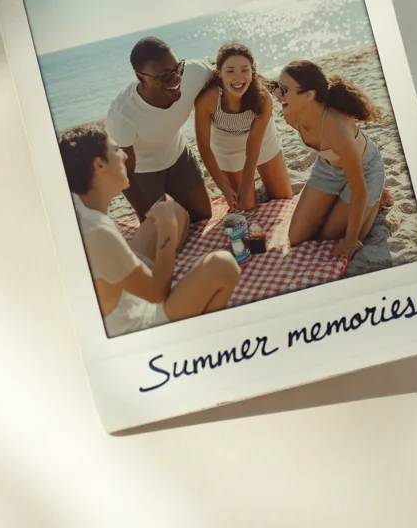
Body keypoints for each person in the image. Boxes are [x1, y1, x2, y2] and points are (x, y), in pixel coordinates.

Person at [59, 126, 240, 338]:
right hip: (136, 324)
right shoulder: (96, 231)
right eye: (117, 150)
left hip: (118, 295)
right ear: (99, 165)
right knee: (223, 265)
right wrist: (168, 233)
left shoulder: (81, 208)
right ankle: (196, 338)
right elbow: (155, 293)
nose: (126, 156)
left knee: (170, 208)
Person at [272, 59, 388, 258]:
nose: (278, 94)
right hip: (328, 169)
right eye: (278, 88)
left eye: (284, 90)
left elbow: (359, 189)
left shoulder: (337, 129)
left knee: (329, 236)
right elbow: (267, 86)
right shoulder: (291, 115)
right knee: (297, 237)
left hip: (365, 171)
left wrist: (351, 239)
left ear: (308, 95)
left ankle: (377, 199)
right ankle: (346, 201)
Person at [105, 37, 214, 222]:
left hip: (177, 154)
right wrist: (145, 216)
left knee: (203, 215)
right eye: (164, 75)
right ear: (141, 77)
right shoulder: (122, 115)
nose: (176, 78)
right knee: (162, 230)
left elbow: (230, 71)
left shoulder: (193, 72)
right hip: (143, 170)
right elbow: (123, 172)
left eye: (177, 68)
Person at [193, 42, 293, 212]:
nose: (238, 78)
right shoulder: (207, 101)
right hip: (226, 146)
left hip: (261, 142)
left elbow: (253, 146)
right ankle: (254, 193)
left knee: (283, 200)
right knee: (245, 208)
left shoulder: (263, 99)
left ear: (252, 71)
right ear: (219, 73)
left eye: (245, 70)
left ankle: (259, 189)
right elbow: (204, 147)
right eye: (230, 71)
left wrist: (247, 185)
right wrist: (223, 186)